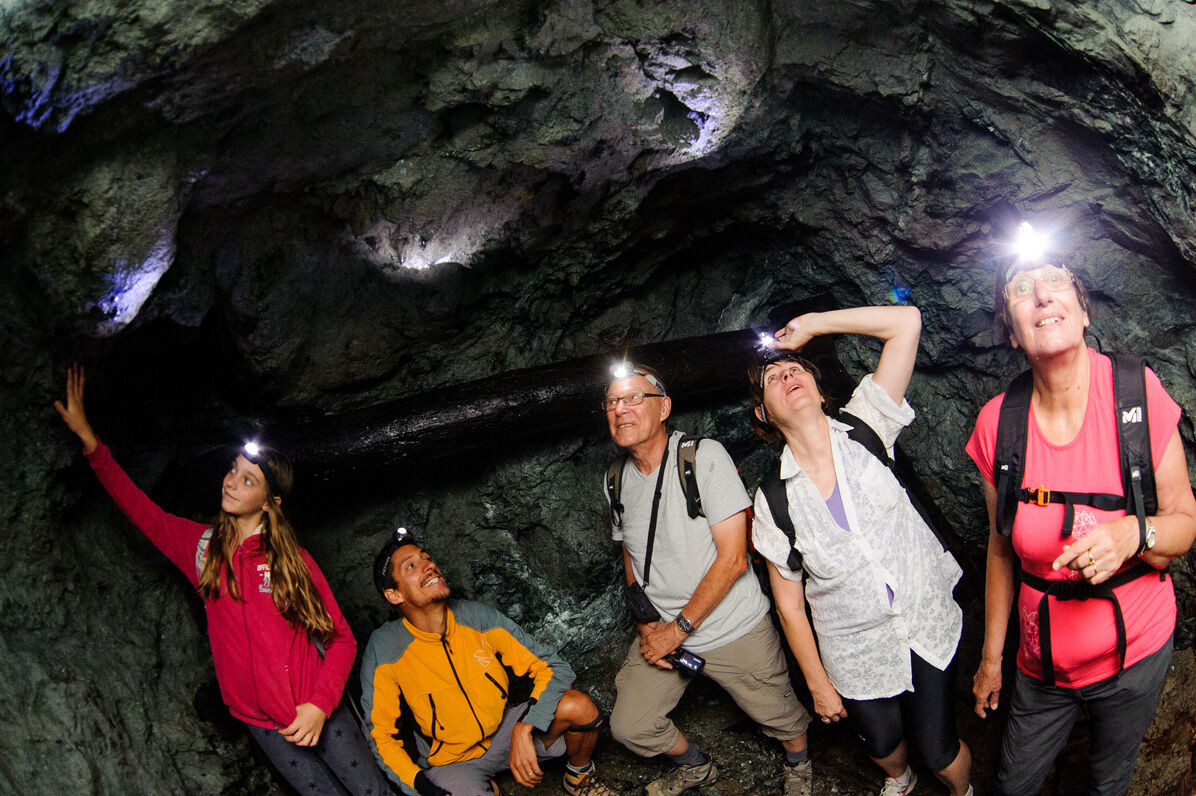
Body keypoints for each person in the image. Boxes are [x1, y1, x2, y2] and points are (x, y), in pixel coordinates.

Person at [53, 364, 391, 794]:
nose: (231, 482)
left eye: (247, 480)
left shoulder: (294, 562)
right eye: (233, 469)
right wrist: (91, 444)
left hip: (317, 711)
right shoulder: (203, 550)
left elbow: (341, 641)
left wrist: (320, 707)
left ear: (269, 502)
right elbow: (142, 512)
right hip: (262, 724)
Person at [966, 245, 1196, 794]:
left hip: (1137, 651)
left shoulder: (1138, 394)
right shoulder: (998, 425)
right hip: (1041, 663)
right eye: (1022, 288)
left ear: (1084, 311)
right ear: (1012, 333)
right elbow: (1000, 549)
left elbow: (1185, 522)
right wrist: (992, 659)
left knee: (1107, 781)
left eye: (1056, 280)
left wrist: (1132, 533)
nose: (1042, 295)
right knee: (1013, 785)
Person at [748, 306, 973, 796]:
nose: (788, 375)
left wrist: (813, 325)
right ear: (763, 414)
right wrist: (817, 683)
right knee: (881, 740)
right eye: (773, 378)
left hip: (921, 619)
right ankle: (901, 780)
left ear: (818, 389)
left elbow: (908, 323)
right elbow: (789, 606)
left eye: (796, 368)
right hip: (854, 649)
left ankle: (963, 791)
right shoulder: (773, 498)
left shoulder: (865, 425)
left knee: (938, 747)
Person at [602, 362, 813, 796]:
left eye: (634, 397)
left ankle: (800, 763)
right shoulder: (615, 478)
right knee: (630, 725)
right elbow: (630, 551)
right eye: (612, 402)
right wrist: (646, 623)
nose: (621, 409)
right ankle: (696, 766)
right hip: (662, 629)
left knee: (780, 715)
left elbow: (734, 559)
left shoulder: (702, 457)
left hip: (730, 625)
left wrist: (677, 630)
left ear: (664, 408)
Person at [361, 528, 616, 796]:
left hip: (504, 733)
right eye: (412, 566)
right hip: (452, 763)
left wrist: (526, 726)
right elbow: (381, 736)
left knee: (579, 707)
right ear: (395, 595)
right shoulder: (385, 647)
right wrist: (422, 787)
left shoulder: (476, 617)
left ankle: (578, 778)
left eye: (427, 558)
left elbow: (553, 668)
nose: (429, 565)